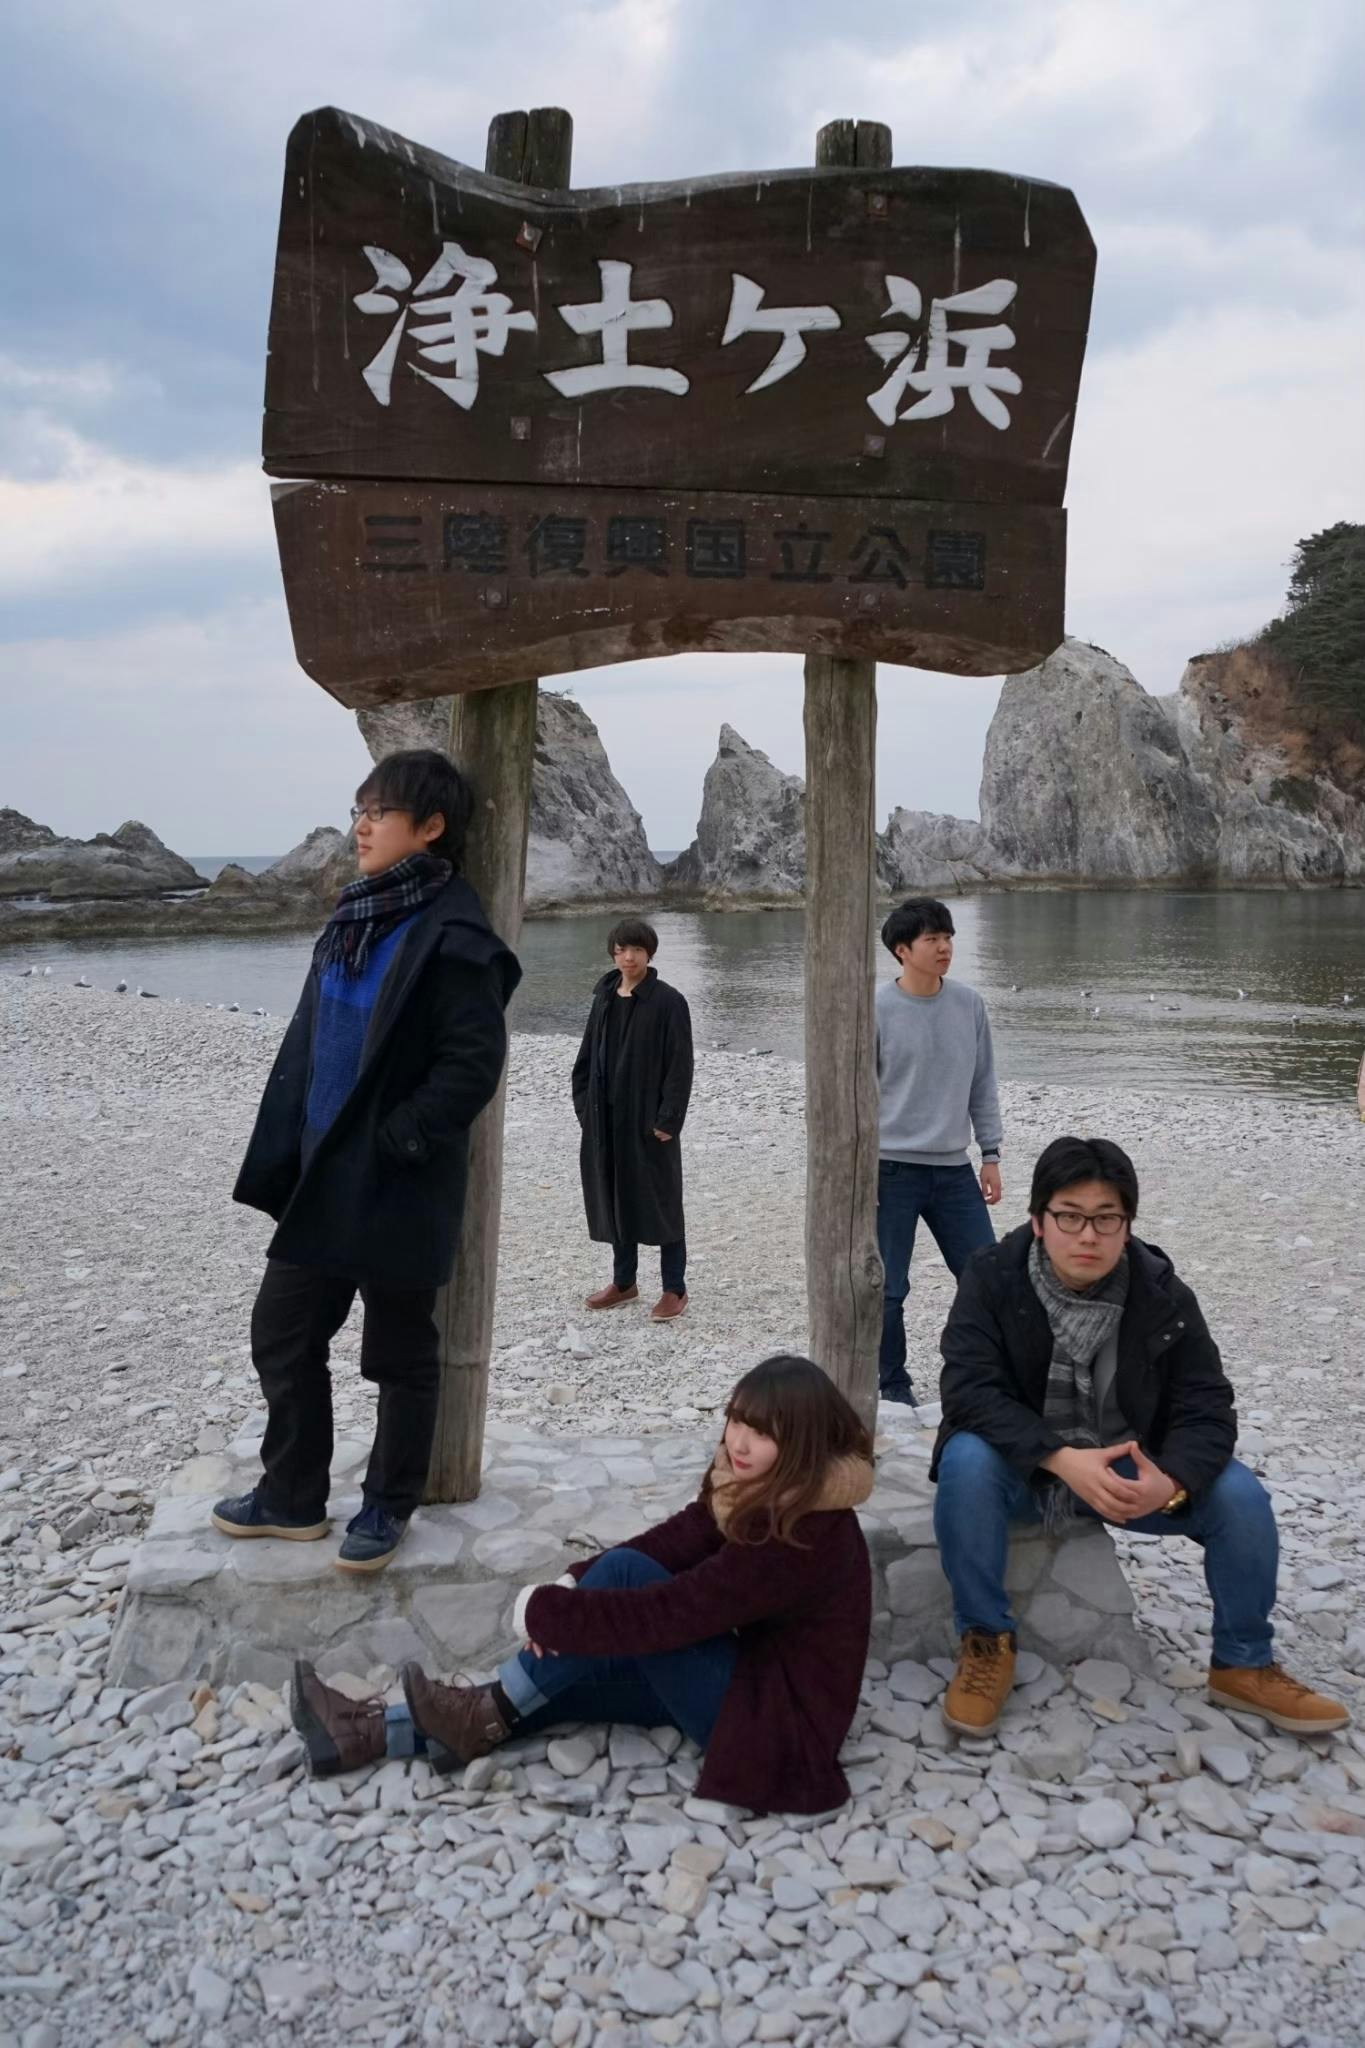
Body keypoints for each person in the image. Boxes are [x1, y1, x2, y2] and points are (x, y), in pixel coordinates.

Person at [290, 1355, 876, 1815]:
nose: (739, 1442)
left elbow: (679, 1609)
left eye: (762, 1433)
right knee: (557, 1687)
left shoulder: (805, 1530)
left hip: (780, 1725)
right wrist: (576, 1581)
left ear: (800, 1445)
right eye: (737, 1420)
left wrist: (551, 1613)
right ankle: (365, 1735)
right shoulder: (754, 1487)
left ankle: (474, 1714)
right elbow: (677, 1540)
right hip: (747, 1677)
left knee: (617, 1590)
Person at [212, 749, 520, 1574]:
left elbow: (471, 1064)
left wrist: (399, 1140)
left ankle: (388, 1503)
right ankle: (291, 1497)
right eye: (360, 809)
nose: (361, 826)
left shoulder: (454, 935)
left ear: (431, 827)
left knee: (398, 1352)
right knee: (282, 1335)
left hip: (393, 1180)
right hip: (322, 1174)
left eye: (380, 812)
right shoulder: (353, 917)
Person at [931, 1134, 1350, 1740]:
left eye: (1106, 1218)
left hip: (1131, 1476)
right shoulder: (992, 1278)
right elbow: (968, 1390)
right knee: (967, 1461)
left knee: (1240, 1497)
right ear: (1039, 1220)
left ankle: (1243, 1663)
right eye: (1069, 1216)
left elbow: (1208, 1406)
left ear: (1127, 1226)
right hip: (1028, 1469)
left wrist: (1170, 1482)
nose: (1088, 1235)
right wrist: (1060, 1458)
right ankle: (986, 1642)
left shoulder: (1161, 1295)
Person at [875, 897, 1002, 1406]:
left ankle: (984, 1375)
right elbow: (856, 1094)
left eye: (948, 937)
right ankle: (892, 1384)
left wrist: (990, 1154)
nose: (945, 947)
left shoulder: (969, 1004)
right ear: (902, 950)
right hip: (890, 1169)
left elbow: (982, 1083)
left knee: (987, 1278)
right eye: (932, 939)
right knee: (887, 1287)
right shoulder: (876, 1009)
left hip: (954, 1169)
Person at [573, 918, 694, 1322]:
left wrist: (669, 1118)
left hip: (649, 1122)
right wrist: (584, 1108)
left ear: (649, 954)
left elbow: (680, 1065)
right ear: (613, 953)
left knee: (662, 1202)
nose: (629, 957)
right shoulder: (604, 997)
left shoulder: (669, 1001)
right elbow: (586, 1057)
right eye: (622, 949)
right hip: (604, 1121)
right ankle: (624, 1282)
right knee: (615, 1197)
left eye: (637, 950)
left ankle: (675, 1288)